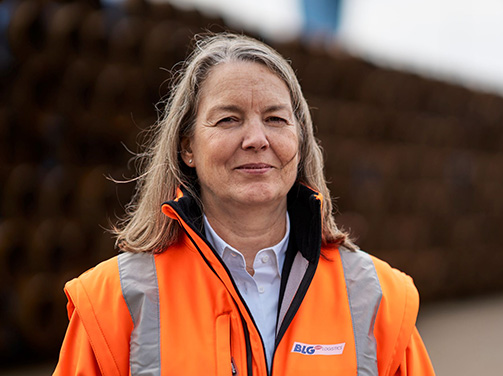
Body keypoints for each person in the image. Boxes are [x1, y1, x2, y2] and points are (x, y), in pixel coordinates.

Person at [53, 33, 435, 375]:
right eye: (228, 119)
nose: (256, 138)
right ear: (187, 147)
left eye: (275, 118)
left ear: (299, 142)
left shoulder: (377, 297)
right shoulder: (111, 303)